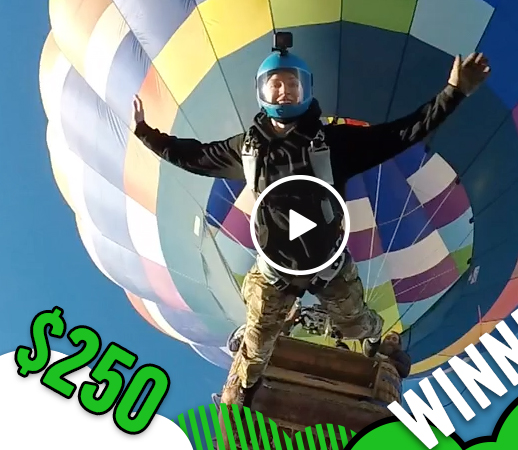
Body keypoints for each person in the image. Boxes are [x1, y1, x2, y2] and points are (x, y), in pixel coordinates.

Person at [132, 38, 491, 414]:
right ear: (262, 91)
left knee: (357, 326)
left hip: (329, 265)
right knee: (256, 344)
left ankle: (375, 341)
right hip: (275, 271)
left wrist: (454, 93)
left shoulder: (334, 143)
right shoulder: (247, 150)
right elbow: (193, 155)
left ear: (305, 89)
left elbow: (401, 134)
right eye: (276, 84)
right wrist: (145, 133)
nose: (284, 91)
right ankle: (245, 396)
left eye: (292, 84)